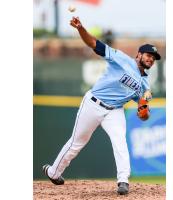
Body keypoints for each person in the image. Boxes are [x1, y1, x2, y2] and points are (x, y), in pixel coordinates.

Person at [43, 16, 161, 195]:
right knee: (77, 143)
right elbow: (94, 44)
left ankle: (123, 181)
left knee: (120, 141)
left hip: (115, 111)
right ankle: (54, 172)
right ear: (139, 54)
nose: (151, 59)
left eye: (153, 58)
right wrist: (81, 28)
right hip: (93, 103)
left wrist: (144, 109)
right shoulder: (121, 58)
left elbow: (143, 115)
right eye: (148, 55)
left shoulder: (145, 86)